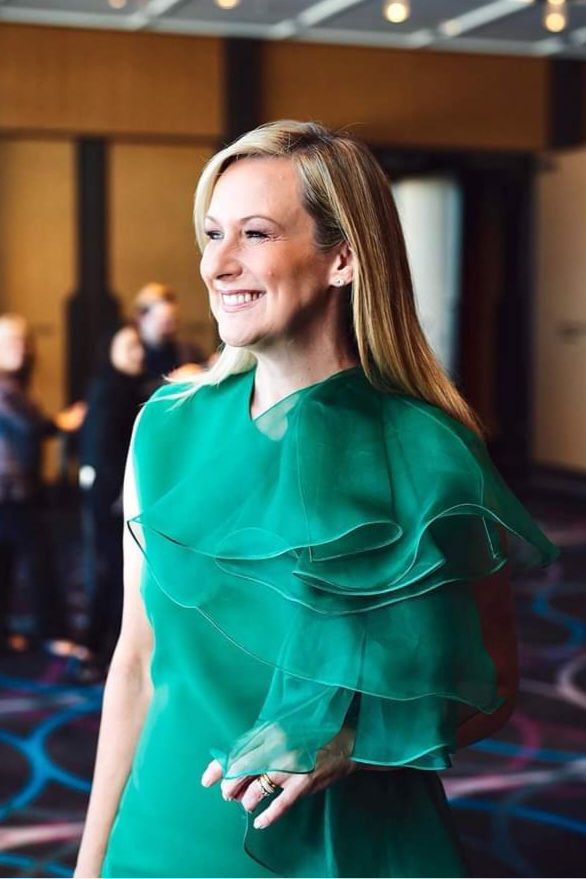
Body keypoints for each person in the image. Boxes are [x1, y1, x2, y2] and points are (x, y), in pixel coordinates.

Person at [75, 121, 558, 879]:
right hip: (162, 835)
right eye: (213, 233)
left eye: (255, 233)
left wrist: (355, 743)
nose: (216, 264)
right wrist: (90, 860)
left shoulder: (429, 451)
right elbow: (135, 663)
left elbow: (491, 687)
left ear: (343, 258)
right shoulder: (164, 426)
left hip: (352, 851)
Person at [0, 313, 85, 652]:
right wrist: (62, 423)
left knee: (10, 563)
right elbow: (29, 426)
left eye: (23, 341)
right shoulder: (5, 387)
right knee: (40, 562)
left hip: (17, 490)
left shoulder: (16, 383)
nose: (20, 348)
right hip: (10, 492)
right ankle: (53, 634)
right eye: (11, 341)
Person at [78, 325, 147, 679]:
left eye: (139, 345)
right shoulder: (109, 389)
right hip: (111, 498)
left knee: (118, 572)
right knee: (110, 572)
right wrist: (120, 494)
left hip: (118, 496)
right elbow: (102, 448)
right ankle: (96, 652)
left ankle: (103, 651)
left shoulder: (128, 387)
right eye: (129, 346)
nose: (138, 353)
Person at [133, 281, 206, 395]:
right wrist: (173, 380)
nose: (171, 328)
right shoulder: (132, 353)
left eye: (174, 320)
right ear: (142, 318)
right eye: (164, 322)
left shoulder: (188, 351)